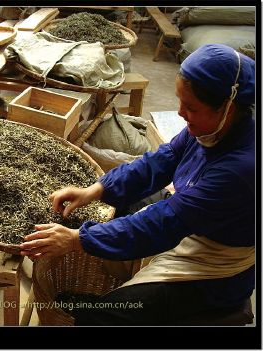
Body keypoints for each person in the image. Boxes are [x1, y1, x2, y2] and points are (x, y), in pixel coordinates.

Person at [20, 44, 256, 325]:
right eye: (180, 101)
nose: (181, 113)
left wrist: (77, 239)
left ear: (227, 109)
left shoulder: (241, 169)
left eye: (191, 107)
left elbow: (164, 223)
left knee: (108, 317)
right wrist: (96, 190)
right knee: (125, 202)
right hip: (190, 221)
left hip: (214, 265)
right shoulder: (207, 130)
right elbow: (161, 161)